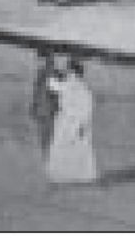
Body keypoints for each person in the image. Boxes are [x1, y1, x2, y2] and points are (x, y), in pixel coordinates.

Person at [44, 56, 98, 185]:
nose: (69, 74)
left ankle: (69, 176)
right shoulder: (78, 87)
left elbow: (53, 85)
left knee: (68, 148)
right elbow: (54, 86)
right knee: (68, 148)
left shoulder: (76, 87)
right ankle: (69, 176)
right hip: (69, 121)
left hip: (71, 121)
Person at [27, 49, 59, 157]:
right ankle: (49, 56)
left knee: (45, 81)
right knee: (46, 81)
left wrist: (35, 106)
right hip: (46, 109)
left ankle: (49, 55)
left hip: (45, 109)